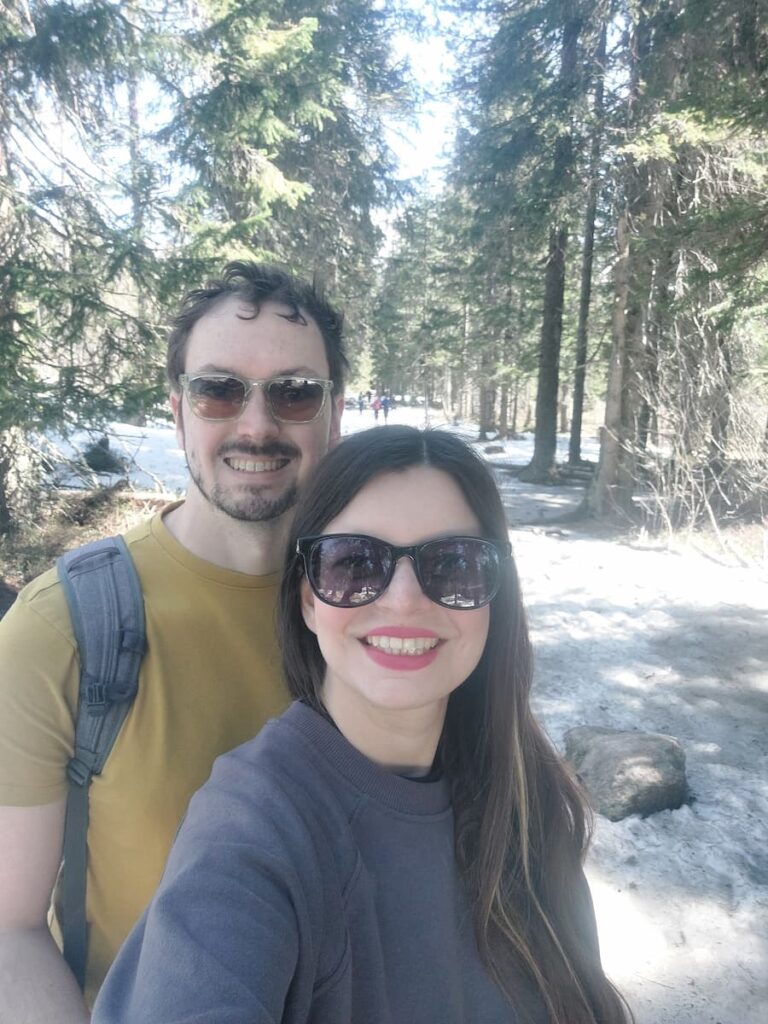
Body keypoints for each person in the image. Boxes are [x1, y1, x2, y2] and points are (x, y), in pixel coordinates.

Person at [92, 426, 631, 1024]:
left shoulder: (527, 798)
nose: (404, 600)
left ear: (493, 596)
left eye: (453, 563)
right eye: (354, 562)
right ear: (307, 600)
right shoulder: (253, 828)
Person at [0, 262, 346, 1021]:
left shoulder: (379, 604)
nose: (256, 426)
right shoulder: (63, 627)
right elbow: (11, 927)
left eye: (294, 393)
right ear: (178, 411)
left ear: (334, 415)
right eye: (219, 390)